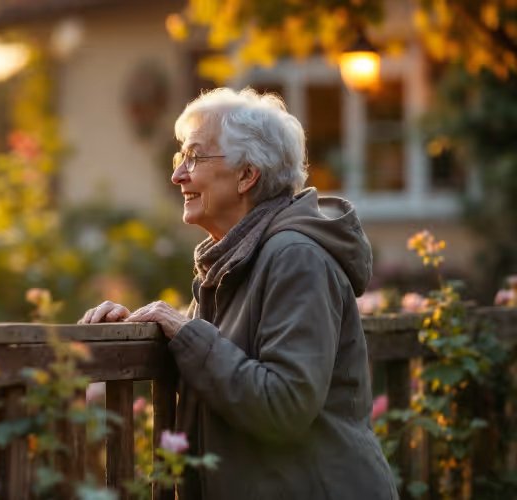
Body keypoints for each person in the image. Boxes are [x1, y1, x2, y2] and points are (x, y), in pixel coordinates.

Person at [81, 88, 397, 499]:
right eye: (181, 158)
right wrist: (144, 332)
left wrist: (186, 332)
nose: (178, 175)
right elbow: (222, 371)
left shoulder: (296, 258)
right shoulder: (234, 260)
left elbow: (283, 405)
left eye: (194, 157)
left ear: (247, 175)